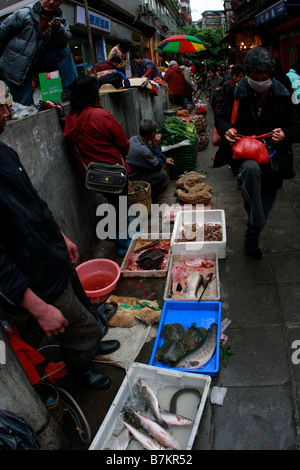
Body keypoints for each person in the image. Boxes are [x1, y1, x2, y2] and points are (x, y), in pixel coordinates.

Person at [0, 79, 120, 390]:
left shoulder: (4, 153)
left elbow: (35, 204)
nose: (7, 110)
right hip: (35, 277)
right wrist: (37, 307)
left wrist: (61, 236)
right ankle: (80, 370)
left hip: (51, 253)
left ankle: (89, 346)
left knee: (85, 308)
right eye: (2, 105)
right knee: (79, 329)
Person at [214, 47, 300, 259]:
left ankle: (253, 232)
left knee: (265, 198)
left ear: (271, 76)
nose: (260, 82)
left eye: (264, 78)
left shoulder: (282, 93)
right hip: (245, 153)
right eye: (255, 78)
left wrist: (285, 134)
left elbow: (296, 126)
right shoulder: (235, 92)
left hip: (274, 156)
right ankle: (257, 226)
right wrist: (228, 130)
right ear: (247, 75)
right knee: (251, 173)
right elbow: (221, 119)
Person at [63, 75, 131, 256]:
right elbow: (123, 143)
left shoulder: (71, 119)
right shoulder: (100, 115)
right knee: (121, 207)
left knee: (114, 203)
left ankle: (115, 233)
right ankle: (124, 246)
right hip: (115, 173)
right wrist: (124, 154)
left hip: (94, 175)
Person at [0, 0, 78, 106]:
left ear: (60, 3)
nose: (51, 2)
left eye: (55, 0)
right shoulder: (23, 14)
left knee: (63, 52)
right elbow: (2, 34)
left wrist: (58, 30)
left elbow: (66, 39)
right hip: (17, 66)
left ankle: (71, 90)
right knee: (25, 105)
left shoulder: (59, 19)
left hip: (37, 61)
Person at [126, 119, 174, 199]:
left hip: (131, 171)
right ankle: (148, 195)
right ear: (153, 134)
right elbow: (158, 165)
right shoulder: (143, 150)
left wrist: (164, 159)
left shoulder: (133, 139)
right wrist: (156, 145)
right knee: (162, 175)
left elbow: (151, 154)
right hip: (134, 178)